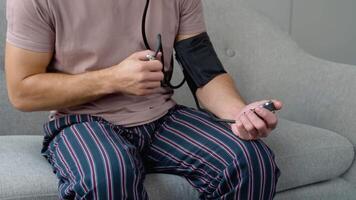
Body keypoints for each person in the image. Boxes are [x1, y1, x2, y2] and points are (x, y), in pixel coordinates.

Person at [4, 0, 283, 199]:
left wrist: (241, 113)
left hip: (161, 116)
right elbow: (22, 90)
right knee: (109, 176)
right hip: (81, 120)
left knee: (251, 160)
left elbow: (205, 73)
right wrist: (113, 78)